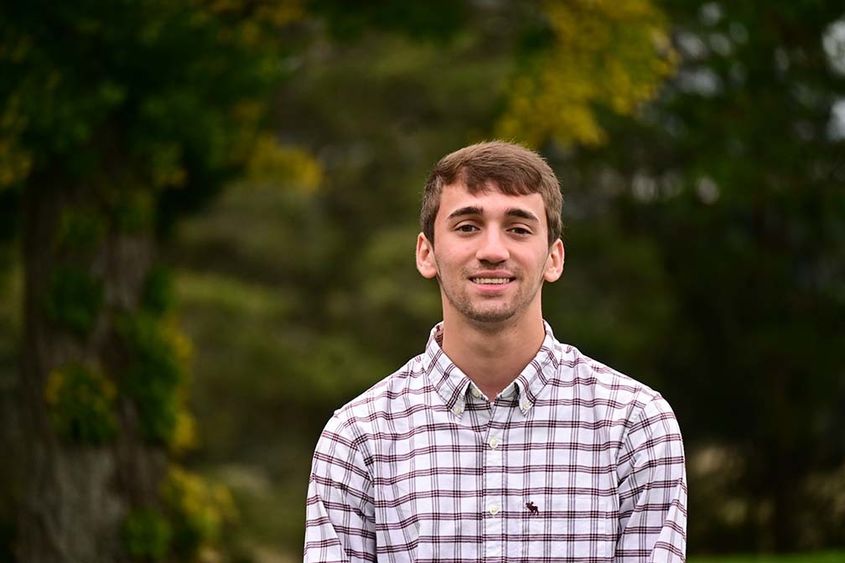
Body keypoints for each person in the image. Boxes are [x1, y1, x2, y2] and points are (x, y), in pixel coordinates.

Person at [304, 141, 687, 562]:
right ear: (426, 252)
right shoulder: (358, 437)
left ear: (553, 258)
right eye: (467, 226)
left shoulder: (635, 426)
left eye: (518, 228)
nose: (492, 251)